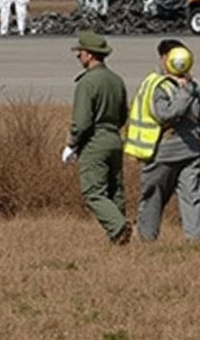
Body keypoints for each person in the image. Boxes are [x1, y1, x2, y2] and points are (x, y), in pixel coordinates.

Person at [125, 39, 200, 242]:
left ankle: (195, 241)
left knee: (191, 197)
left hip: (188, 151)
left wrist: (189, 89)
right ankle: (147, 239)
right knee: (154, 196)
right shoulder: (158, 85)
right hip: (163, 151)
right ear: (163, 58)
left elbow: (199, 110)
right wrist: (185, 92)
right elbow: (165, 114)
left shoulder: (190, 86)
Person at [62, 31, 131, 244]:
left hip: (95, 141)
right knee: (114, 189)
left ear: (90, 55)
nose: (78, 56)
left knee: (93, 192)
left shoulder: (87, 82)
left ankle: (118, 227)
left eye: (80, 52)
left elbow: (81, 121)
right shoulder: (116, 80)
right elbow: (123, 115)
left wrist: (71, 143)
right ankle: (119, 236)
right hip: (114, 138)